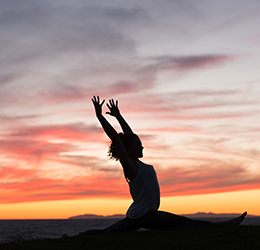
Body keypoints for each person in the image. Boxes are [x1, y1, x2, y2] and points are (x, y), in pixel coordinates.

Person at [78, 96, 247, 235]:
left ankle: (77, 237)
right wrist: (100, 116)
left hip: (137, 215)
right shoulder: (130, 167)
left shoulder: (139, 164)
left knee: (106, 233)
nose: (142, 146)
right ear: (129, 149)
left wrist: (118, 116)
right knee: (179, 221)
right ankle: (221, 226)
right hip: (145, 216)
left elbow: (128, 135)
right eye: (138, 145)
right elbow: (117, 138)